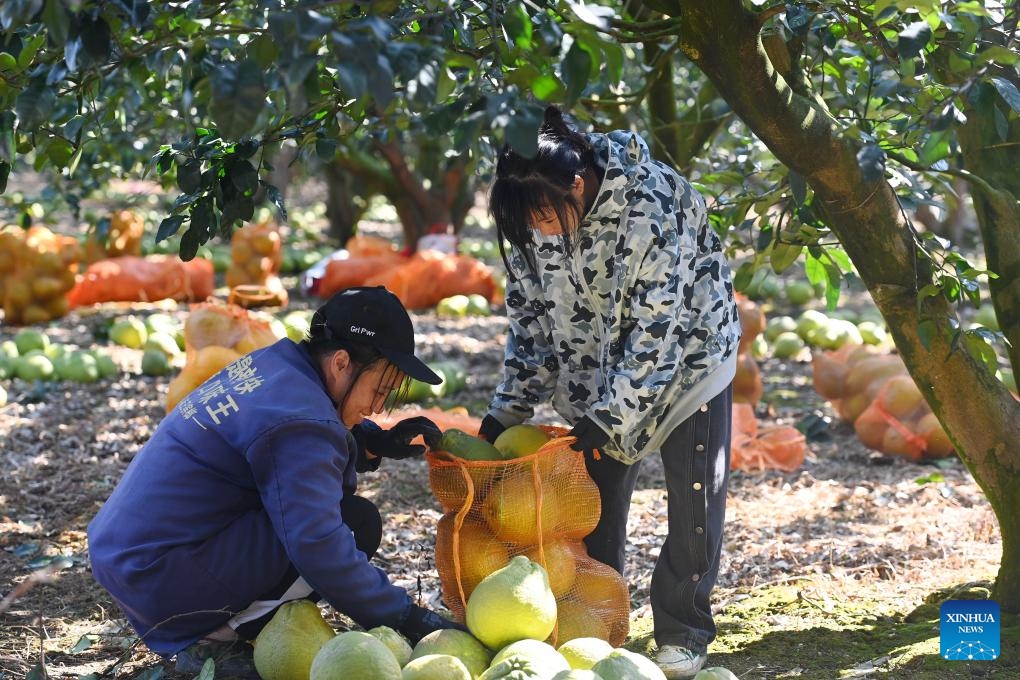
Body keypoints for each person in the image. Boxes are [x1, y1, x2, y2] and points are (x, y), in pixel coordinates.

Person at [479, 106, 741, 679]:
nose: (541, 230)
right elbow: (530, 326)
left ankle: (684, 628)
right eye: (529, 222)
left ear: (578, 183)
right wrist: (507, 410)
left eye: (548, 215)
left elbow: (658, 335)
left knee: (693, 498)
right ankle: (598, 625)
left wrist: (609, 417)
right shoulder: (532, 219)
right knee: (590, 504)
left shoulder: (652, 206)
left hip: (689, 356)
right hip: (593, 370)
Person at [88, 286, 464, 678]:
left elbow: (279, 438)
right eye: (380, 390)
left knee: (337, 522)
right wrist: (407, 617)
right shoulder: (301, 423)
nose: (378, 406)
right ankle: (207, 642)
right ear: (340, 363)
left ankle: (209, 624)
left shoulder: (275, 366)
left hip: (130, 554)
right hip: (160, 576)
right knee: (354, 527)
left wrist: (369, 440)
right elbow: (317, 543)